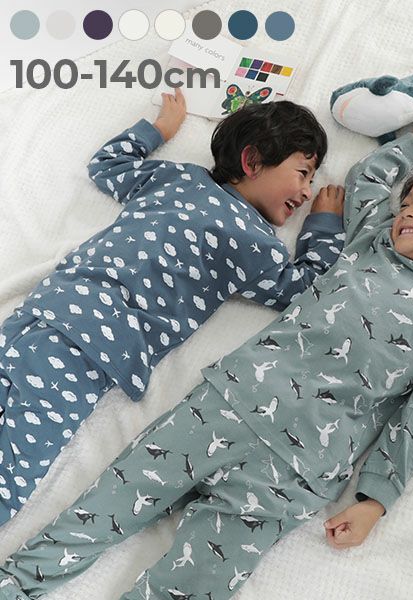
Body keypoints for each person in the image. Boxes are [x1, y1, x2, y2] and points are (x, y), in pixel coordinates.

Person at [0, 100, 413, 600]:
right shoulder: (372, 242)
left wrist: (375, 500)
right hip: (220, 408)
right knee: (95, 516)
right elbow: (370, 174)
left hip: (296, 469)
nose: (405, 212)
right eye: (406, 202)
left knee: (195, 581)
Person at [0, 87, 346, 525]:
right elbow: (307, 289)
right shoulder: (254, 243)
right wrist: (325, 225)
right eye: (303, 173)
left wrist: (157, 131)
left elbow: (108, 164)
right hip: (88, 348)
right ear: (252, 161)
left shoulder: (181, 180)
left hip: (49, 308)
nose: (308, 191)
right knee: (16, 463)